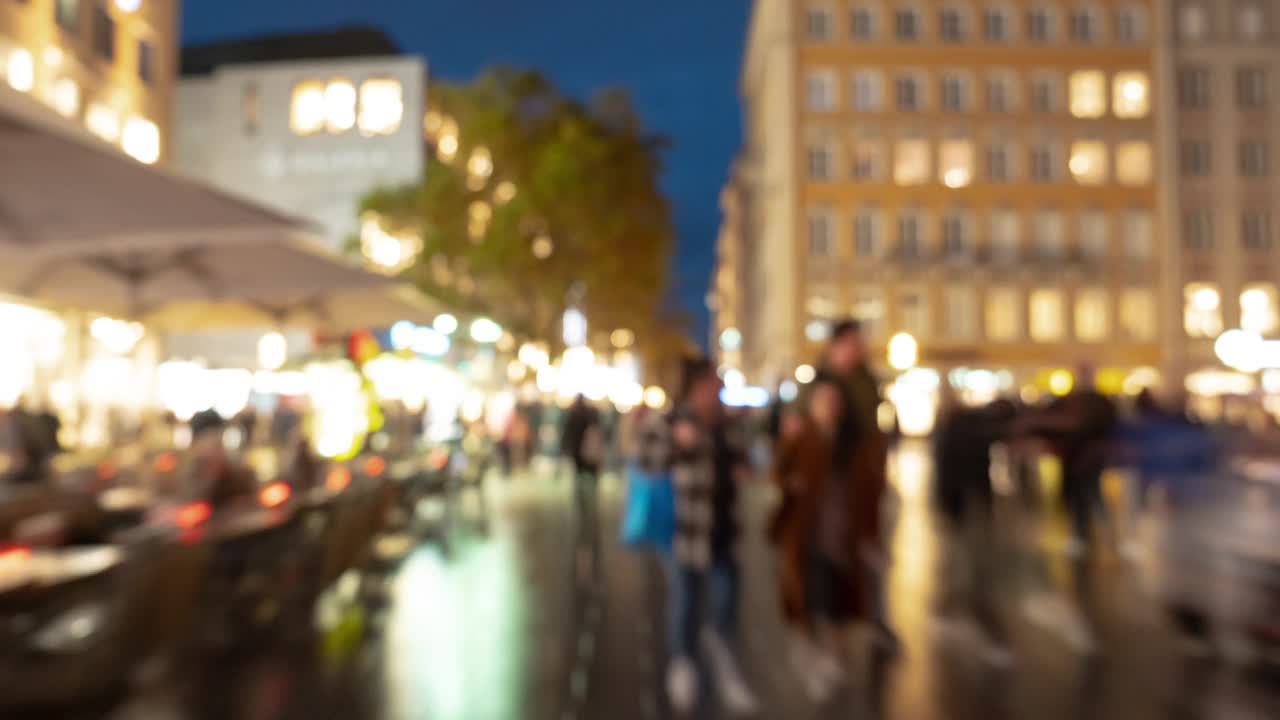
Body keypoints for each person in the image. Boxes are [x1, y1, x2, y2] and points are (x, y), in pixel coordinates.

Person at [773, 378, 880, 699]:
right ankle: (815, 652)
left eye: (833, 400)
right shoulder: (801, 437)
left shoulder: (855, 443)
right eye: (822, 401)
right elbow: (779, 473)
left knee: (839, 598)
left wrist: (870, 534)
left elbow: (870, 488)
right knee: (812, 593)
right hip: (807, 531)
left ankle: (834, 656)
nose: (828, 407)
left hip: (842, 533)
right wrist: (790, 480)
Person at [661, 357, 757, 715]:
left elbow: (745, 463)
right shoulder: (676, 421)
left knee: (725, 607)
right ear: (696, 387)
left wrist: (744, 467)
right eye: (711, 384)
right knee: (685, 604)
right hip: (687, 533)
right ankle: (683, 665)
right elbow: (649, 460)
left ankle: (722, 666)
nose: (715, 391)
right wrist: (678, 444)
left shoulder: (729, 425)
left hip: (725, 533)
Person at [793, 319, 897, 651]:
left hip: (864, 478)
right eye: (852, 343)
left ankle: (875, 619)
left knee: (869, 550)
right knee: (831, 554)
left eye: (859, 342)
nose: (859, 348)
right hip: (830, 484)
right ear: (836, 346)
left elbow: (875, 425)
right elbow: (799, 429)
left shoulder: (866, 378)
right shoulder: (820, 380)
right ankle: (823, 625)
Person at [931, 389, 1018, 666]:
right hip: (968, 505)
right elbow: (958, 475)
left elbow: (946, 474)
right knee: (975, 567)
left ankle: (946, 610)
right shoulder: (972, 430)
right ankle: (987, 631)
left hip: (961, 505)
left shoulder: (956, 428)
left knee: (960, 564)